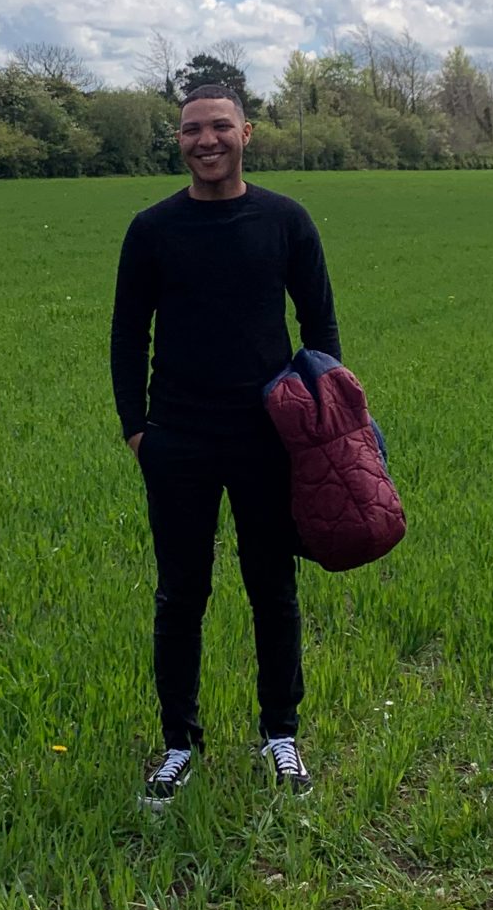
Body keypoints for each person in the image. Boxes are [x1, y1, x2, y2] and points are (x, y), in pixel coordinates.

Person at [110, 83, 341, 808]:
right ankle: (179, 743)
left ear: (247, 132)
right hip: (177, 438)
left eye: (218, 127)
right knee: (181, 594)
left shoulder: (284, 221)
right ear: (178, 141)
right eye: (190, 130)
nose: (205, 141)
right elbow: (127, 336)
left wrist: (319, 424)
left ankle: (281, 733)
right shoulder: (152, 230)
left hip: (267, 438)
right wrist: (137, 429)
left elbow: (321, 333)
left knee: (272, 588)